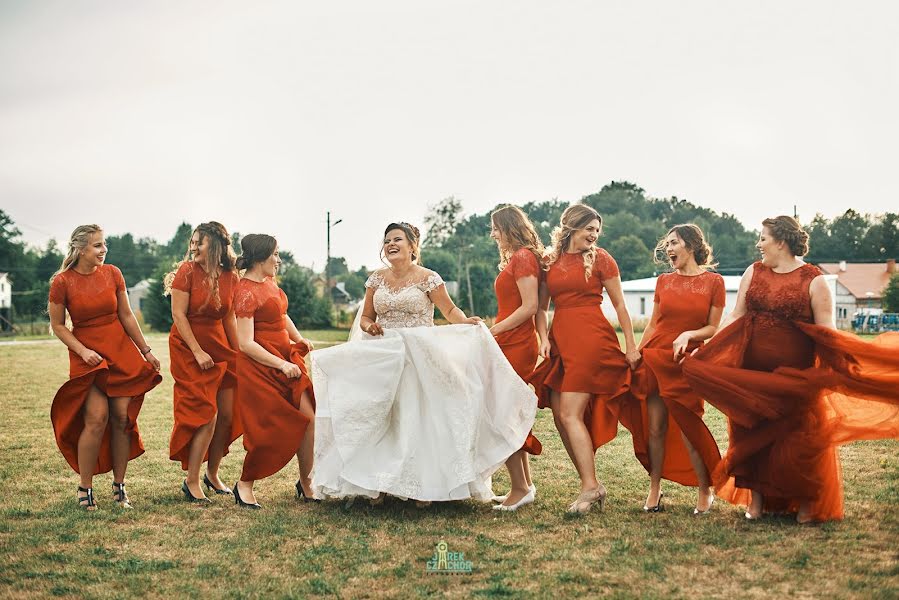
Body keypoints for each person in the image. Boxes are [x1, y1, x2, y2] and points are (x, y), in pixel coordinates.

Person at [683, 216, 899, 522]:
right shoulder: (753, 272)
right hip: (752, 371)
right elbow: (737, 316)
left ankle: (806, 506)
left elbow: (827, 330)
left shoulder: (814, 279)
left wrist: (839, 365)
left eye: (762, 238)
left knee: (799, 438)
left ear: (781, 242)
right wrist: (706, 349)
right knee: (750, 432)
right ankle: (755, 504)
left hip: (795, 375)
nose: (758, 245)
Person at [311, 222, 537, 505]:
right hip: (383, 354)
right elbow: (367, 316)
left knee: (419, 418)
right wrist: (369, 327)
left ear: (412, 246)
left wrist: (465, 322)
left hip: (419, 356)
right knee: (382, 417)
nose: (391, 244)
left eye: (397, 239)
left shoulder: (429, 278)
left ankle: (425, 485)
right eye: (387, 240)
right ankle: (377, 482)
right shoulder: (375, 280)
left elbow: (449, 309)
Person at [528, 204, 640, 514]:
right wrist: (544, 338)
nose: (594, 235)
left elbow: (620, 306)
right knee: (560, 415)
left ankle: (591, 487)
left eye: (597, 230)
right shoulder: (549, 262)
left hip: (592, 339)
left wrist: (631, 345)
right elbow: (540, 308)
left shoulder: (602, 259)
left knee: (569, 413)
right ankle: (590, 484)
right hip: (563, 339)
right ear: (572, 227)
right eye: (589, 228)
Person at [48, 224, 161, 510]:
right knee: (96, 419)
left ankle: (119, 487)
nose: (103, 250)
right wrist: (83, 351)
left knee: (122, 420)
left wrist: (145, 350)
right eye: (98, 245)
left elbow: (126, 314)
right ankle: (84, 488)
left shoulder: (113, 273)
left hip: (120, 352)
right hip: (88, 358)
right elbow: (59, 326)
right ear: (81, 248)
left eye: (104, 244)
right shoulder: (62, 282)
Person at [623, 224, 724, 514]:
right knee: (655, 428)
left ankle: (705, 490)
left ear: (691, 246)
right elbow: (654, 323)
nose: (668, 249)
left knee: (689, 428)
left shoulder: (713, 283)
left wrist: (689, 335)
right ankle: (654, 487)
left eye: (674, 243)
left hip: (687, 362)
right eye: (667, 244)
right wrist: (638, 353)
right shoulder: (663, 282)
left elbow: (712, 327)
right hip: (656, 358)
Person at [232, 234, 316, 509]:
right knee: (266, 430)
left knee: (309, 417)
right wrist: (281, 364)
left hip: (286, 359)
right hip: (261, 367)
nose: (279, 260)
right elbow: (245, 343)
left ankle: (306, 482)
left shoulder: (269, 283)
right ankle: (244, 484)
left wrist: (298, 338)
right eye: (276, 255)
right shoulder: (244, 291)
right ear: (260, 257)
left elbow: (281, 314)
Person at [166, 222, 241, 502]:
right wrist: (197, 352)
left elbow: (228, 317)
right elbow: (178, 315)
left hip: (218, 345)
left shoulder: (230, 275)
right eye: (193, 241)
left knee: (226, 414)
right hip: (188, 347)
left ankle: (212, 473)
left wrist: (238, 353)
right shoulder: (187, 271)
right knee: (206, 414)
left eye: (201, 242)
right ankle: (192, 481)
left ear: (217, 246)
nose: (193, 246)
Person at [488, 206, 543, 511]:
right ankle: (525, 485)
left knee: (504, 413)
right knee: (509, 411)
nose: (493, 234)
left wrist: (494, 330)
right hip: (509, 340)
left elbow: (529, 306)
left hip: (517, 342)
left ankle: (520, 488)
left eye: (495, 228)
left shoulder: (523, 257)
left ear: (509, 228)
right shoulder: (518, 258)